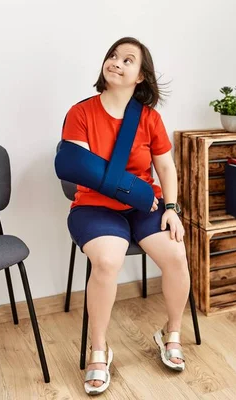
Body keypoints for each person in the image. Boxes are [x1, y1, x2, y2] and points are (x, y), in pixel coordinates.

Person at [61, 37, 190, 395]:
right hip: (94, 207)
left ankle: (171, 333)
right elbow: (78, 169)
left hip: (147, 209)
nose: (116, 62)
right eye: (113, 56)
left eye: (127, 60)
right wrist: (135, 192)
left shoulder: (149, 118)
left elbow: (165, 166)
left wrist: (171, 208)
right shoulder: (81, 113)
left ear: (141, 77)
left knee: (176, 253)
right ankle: (98, 349)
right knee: (107, 261)